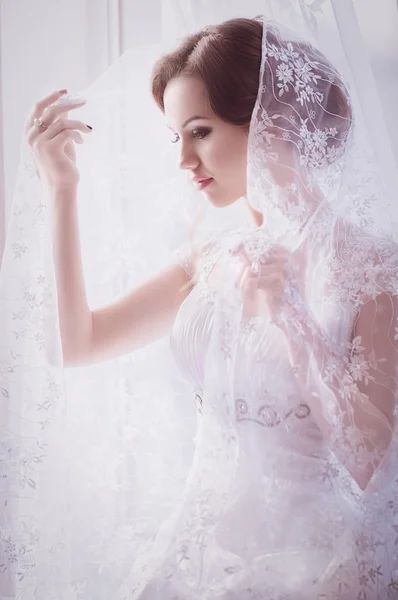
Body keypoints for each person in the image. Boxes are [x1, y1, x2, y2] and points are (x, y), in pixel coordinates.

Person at [6, 16, 398, 600]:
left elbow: (373, 460)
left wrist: (289, 318)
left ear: (272, 121)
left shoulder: (372, 268)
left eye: (201, 131)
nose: (184, 160)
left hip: (317, 571)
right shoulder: (211, 259)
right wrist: (62, 190)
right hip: (193, 562)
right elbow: (75, 344)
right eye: (176, 138)